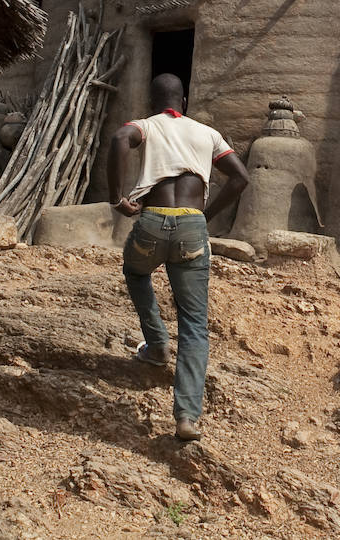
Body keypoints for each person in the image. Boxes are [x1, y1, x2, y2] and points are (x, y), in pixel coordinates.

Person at [107, 73, 250, 441]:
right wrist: (207, 215)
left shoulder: (145, 126)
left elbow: (120, 138)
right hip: (191, 227)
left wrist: (117, 197)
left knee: (136, 272)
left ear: (152, 102)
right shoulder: (207, 133)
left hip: (152, 223)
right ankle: (186, 417)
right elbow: (239, 177)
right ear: (182, 102)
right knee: (194, 323)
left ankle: (156, 346)